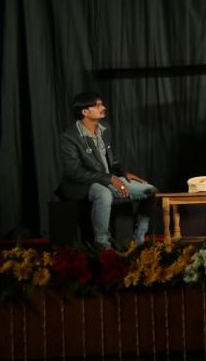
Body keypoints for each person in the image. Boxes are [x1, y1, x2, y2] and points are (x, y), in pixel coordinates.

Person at [58, 92, 157, 249]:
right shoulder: (69, 137)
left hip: (107, 179)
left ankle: (138, 240)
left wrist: (123, 173)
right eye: (98, 105)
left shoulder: (105, 129)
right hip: (82, 184)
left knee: (150, 191)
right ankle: (103, 244)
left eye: (102, 104)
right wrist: (109, 179)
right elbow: (74, 171)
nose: (103, 107)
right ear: (85, 111)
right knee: (103, 194)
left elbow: (111, 160)